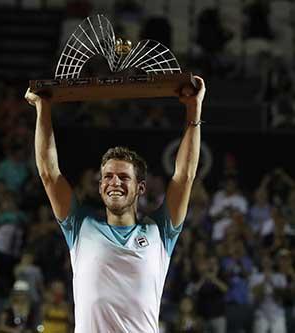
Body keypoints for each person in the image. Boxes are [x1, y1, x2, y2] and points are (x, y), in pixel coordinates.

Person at [24, 75, 205, 332]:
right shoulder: (80, 225)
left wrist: (193, 110)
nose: (114, 182)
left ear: (140, 187)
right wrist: (43, 109)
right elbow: (49, 173)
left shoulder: (160, 231)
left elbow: (184, 176)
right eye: (107, 177)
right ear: (99, 187)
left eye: (123, 177)